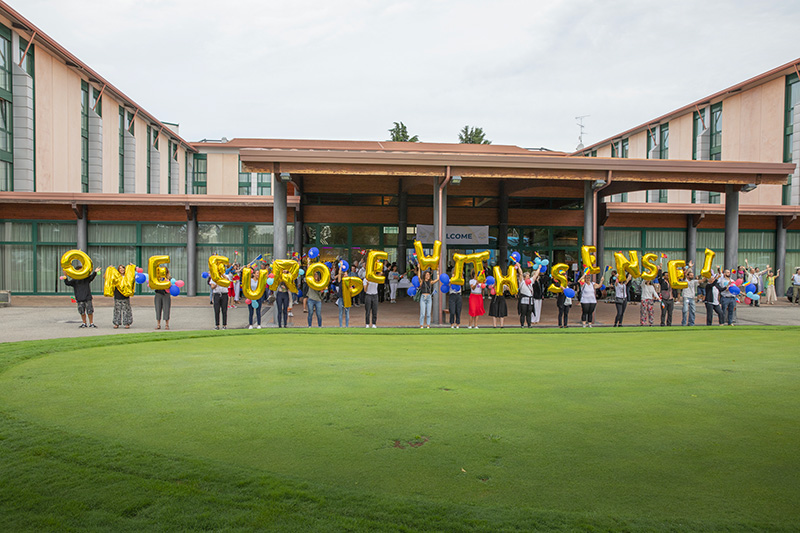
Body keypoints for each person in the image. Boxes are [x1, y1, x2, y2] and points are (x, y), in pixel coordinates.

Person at [112, 264, 134, 329]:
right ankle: (116, 323)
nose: (122, 270)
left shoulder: (127, 276)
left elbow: (133, 276)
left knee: (126, 310)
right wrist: (110, 269)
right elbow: (106, 277)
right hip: (117, 295)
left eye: (123, 268)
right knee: (117, 310)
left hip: (125, 296)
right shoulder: (116, 276)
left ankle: (127, 323)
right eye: (120, 269)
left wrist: (132, 267)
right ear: (118, 270)